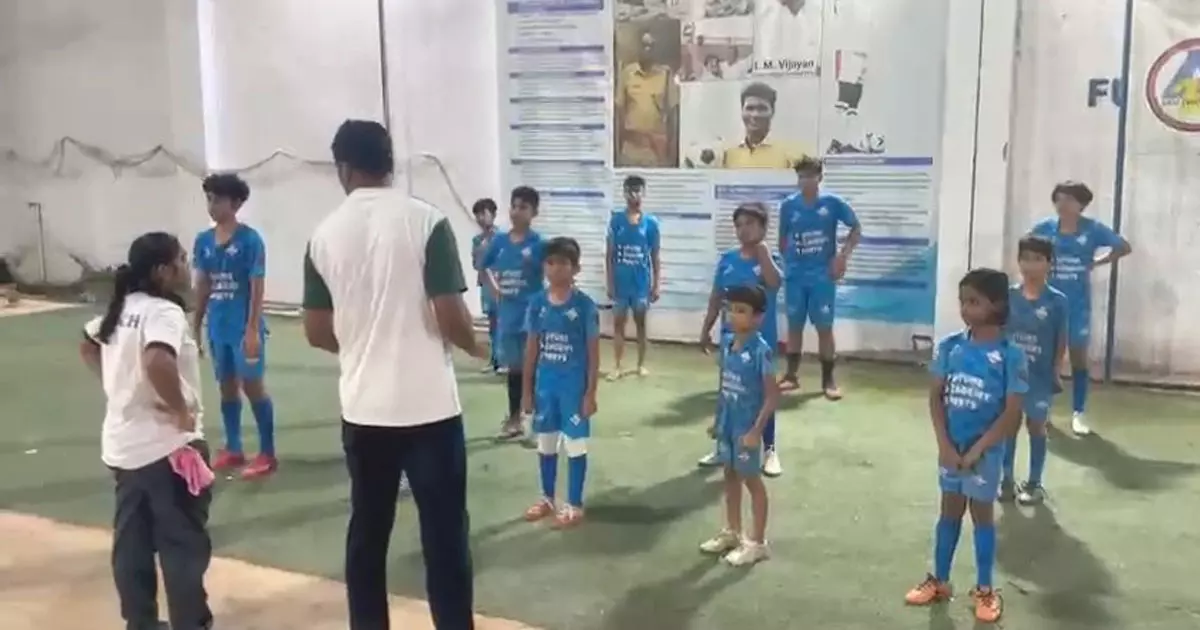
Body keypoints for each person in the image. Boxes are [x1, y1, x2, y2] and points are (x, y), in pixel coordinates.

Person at [303, 119, 483, 630]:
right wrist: (476, 346)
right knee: (444, 539)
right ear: (390, 162)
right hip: (430, 411)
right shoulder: (427, 222)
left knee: (368, 534)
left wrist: (362, 346)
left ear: (343, 168)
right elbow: (449, 315)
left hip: (364, 410)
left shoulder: (322, 235)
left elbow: (316, 331)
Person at [78, 232, 215, 630]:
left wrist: (119, 388)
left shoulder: (122, 307)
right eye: (181, 260)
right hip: (166, 449)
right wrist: (180, 410)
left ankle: (140, 622)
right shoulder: (163, 312)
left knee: (132, 544)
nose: (187, 267)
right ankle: (191, 623)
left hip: (124, 449)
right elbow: (157, 360)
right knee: (182, 546)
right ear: (162, 271)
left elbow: (88, 343)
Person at [905, 268, 1027, 624]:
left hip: (984, 454)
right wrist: (944, 445)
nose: (965, 309)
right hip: (952, 450)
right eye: (962, 301)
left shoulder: (1011, 355)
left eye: (974, 301)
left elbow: (1012, 413)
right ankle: (939, 580)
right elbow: (936, 398)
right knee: (949, 511)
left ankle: (985, 589)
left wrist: (979, 449)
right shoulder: (950, 347)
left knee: (982, 516)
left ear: (997, 304)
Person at [1029, 181, 1131, 435]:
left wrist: (1097, 262)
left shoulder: (1093, 229)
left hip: (1077, 305)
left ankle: (1078, 413)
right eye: (1059, 199)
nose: (1062, 204)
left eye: (1069, 200)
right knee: (1046, 359)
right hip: (1048, 304)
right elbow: (1027, 252)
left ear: (1082, 204)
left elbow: (1123, 247)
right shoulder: (1044, 229)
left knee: (1078, 359)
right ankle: (1043, 409)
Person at [192, 173, 277, 480]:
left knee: (252, 386)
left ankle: (267, 453)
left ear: (236, 203)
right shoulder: (203, 241)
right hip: (218, 326)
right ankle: (234, 447)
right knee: (226, 386)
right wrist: (196, 324)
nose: (212, 205)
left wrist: (252, 328)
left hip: (243, 327)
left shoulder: (250, 240)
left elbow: (257, 286)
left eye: (218, 200)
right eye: (209, 199)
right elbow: (203, 285)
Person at [698, 202, 784, 476]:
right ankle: (723, 447)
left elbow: (775, 283)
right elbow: (716, 297)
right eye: (739, 225)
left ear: (763, 227)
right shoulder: (727, 260)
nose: (743, 230)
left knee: (762, 395)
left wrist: (763, 253)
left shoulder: (770, 258)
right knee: (728, 391)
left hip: (759, 342)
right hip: (730, 341)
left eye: (750, 224)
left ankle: (769, 450)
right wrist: (706, 328)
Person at [521, 237, 600, 529]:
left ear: (575, 268)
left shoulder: (585, 307)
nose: (556, 269)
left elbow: (593, 354)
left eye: (563, 263)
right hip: (546, 387)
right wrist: (527, 392)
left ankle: (574, 504)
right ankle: (547, 498)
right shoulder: (537, 304)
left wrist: (590, 393)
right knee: (546, 442)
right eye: (550, 262)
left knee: (575, 444)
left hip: (573, 389)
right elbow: (531, 350)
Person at [698, 285, 779, 567]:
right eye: (731, 309)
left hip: (747, 428)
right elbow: (724, 385)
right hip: (728, 424)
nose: (734, 315)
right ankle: (732, 532)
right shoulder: (727, 344)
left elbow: (772, 396)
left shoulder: (761, 351)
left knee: (751, 481)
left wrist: (756, 431)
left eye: (742, 310)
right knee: (729, 474)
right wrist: (717, 419)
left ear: (758, 317)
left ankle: (758, 543)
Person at [777, 156, 861, 399]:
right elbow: (782, 240)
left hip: (821, 277)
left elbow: (856, 228)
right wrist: (790, 263)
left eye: (810, 176)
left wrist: (842, 256)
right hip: (795, 277)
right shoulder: (788, 206)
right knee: (794, 326)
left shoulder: (832, 203)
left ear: (820, 177)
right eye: (801, 176)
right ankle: (791, 376)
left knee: (824, 327)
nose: (805, 181)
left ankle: (828, 380)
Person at [1001, 235, 1068, 505]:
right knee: (1008, 424)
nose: (1031, 265)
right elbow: (1000, 333)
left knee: (1036, 425)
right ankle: (1006, 479)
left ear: (1049, 264)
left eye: (1038, 259)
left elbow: (1060, 338)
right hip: (1010, 375)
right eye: (1026, 259)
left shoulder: (1057, 301)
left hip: (1039, 376)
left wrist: (1056, 370)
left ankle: (1034, 482)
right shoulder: (1008, 296)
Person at [482, 186, 546, 440]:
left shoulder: (539, 244)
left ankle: (539, 421)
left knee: (535, 368)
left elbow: (551, 272)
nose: (517, 212)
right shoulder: (499, 241)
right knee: (515, 370)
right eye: (514, 206)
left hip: (532, 316)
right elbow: (483, 266)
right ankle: (514, 418)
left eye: (524, 207)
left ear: (534, 212)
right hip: (508, 316)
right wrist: (495, 289)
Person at [606, 175, 661, 380]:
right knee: (618, 324)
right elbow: (609, 256)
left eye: (638, 190)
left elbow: (655, 256)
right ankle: (617, 366)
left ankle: (641, 364)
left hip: (641, 283)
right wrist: (610, 283)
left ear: (643, 193)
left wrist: (656, 285)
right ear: (624, 193)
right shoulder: (616, 221)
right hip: (621, 283)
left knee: (641, 324)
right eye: (630, 190)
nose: (634, 195)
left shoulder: (651, 223)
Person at [615, 30, 678, 167]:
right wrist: (616, 151)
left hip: (655, 151)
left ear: (655, 49)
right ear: (639, 47)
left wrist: (672, 154)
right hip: (631, 149)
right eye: (644, 45)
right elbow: (619, 113)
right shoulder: (627, 73)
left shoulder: (665, 74)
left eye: (651, 45)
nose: (647, 49)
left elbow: (673, 116)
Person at [721, 82, 807, 169]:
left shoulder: (791, 155)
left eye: (762, 108)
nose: (755, 114)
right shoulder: (728, 154)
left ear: (772, 112)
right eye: (750, 108)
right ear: (742, 111)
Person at [471, 197, 502, 374]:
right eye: (477, 215)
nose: (481, 218)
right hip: (485, 286)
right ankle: (495, 360)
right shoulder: (477, 240)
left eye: (484, 213)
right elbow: (476, 264)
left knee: (503, 322)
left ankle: (505, 360)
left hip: (501, 285)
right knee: (493, 323)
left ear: (493, 214)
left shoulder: (501, 238)